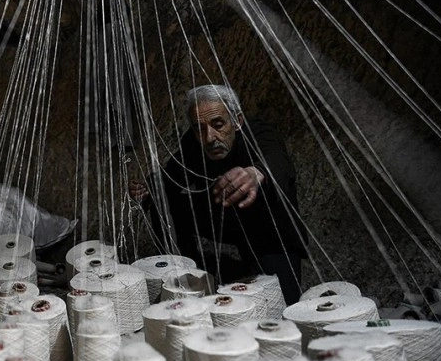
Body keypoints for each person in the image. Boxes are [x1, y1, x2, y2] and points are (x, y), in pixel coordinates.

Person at [129, 84, 307, 305]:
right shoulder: (195, 141)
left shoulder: (258, 132)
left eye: (218, 124)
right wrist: (149, 186)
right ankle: (184, 273)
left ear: (237, 121)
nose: (209, 137)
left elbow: (278, 161)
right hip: (226, 218)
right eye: (199, 128)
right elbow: (172, 175)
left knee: (281, 306)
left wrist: (256, 173)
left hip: (268, 230)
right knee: (161, 199)